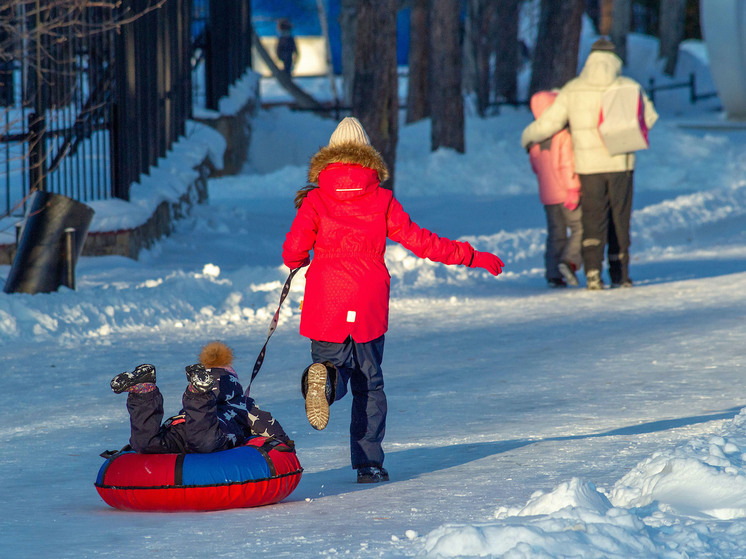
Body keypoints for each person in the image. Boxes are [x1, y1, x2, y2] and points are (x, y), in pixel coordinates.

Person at [282, 117, 504, 483]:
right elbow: (422, 241)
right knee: (369, 385)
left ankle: (325, 379)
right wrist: (470, 255)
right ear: (367, 157)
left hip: (327, 301)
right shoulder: (381, 198)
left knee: (332, 368)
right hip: (367, 301)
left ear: (329, 159)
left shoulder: (316, 199)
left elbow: (293, 250)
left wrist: (299, 260)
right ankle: (369, 464)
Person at [520, 38, 658, 290]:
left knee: (593, 218)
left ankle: (593, 272)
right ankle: (620, 273)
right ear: (614, 59)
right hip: (621, 164)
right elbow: (649, 118)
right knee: (620, 218)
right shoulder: (628, 86)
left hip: (588, 167)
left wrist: (527, 137)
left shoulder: (573, 90)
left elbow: (548, 124)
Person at [110, 341, 292, 454]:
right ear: (234, 382)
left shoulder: (239, 402)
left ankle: (145, 394)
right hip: (214, 430)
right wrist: (284, 443)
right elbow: (268, 425)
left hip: (180, 425)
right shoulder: (243, 404)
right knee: (203, 441)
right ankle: (197, 394)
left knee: (146, 443)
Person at [527, 89, 583, 288]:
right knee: (580, 228)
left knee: (556, 233)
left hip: (548, 196)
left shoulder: (534, 139)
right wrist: (574, 188)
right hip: (567, 192)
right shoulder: (562, 135)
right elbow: (567, 164)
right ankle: (569, 261)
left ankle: (552, 274)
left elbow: (536, 167)